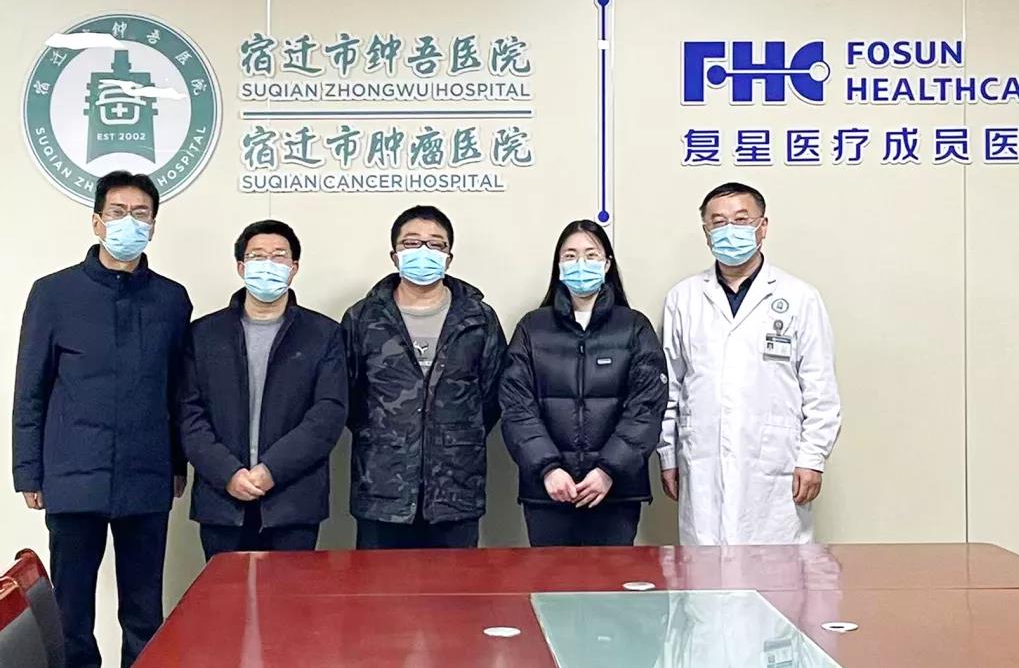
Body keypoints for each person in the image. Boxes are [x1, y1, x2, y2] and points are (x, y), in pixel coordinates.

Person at [12, 171, 191, 668]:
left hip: (146, 474)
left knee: (144, 612)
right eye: (117, 212)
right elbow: (30, 388)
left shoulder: (172, 299)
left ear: (153, 225)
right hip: (73, 474)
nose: (128, 222)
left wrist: (178, 463)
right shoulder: (53, 293)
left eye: (140, 214)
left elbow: (179, 390)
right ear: (96, 221)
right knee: (71, 615)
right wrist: (28, 471)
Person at [659, 182, 841, 545]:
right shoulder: (683, 298)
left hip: (775, 464)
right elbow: (670, 388)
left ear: (763, 226)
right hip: (702, 461)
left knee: (776, 570)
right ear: (706, 232)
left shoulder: (799, 297)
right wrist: (668, 455)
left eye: (741, 220)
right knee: (704, 568)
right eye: (719, 222)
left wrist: (812, 457)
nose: (730, 230)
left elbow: (819, 387)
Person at [342, 206, 507, 549]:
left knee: (455, 584)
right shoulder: (364, 317)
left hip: (455, 490)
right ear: (394, 255)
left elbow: (492, 397)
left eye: (435, 244)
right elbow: (348, 396)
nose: (423, 251)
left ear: (449, 257)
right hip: (382, 489)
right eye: (411, 243)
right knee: (378, 583)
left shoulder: (478, 318)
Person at [180, 220, 347, 559]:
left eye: (279, 256)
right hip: (222, 501)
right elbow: (189, 414)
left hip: (294, 502)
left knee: (292, 594)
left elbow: (327, 415)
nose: (268, 264)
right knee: (226, 592)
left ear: (294, 267)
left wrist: (271, 470)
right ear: (241, 267)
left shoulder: (324, 334)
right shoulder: (203, 334)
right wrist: (228, 473)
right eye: (257, 256)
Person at [501, 220, 667, 547]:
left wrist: (608, 470)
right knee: (550, 578)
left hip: (615, 492)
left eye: (591, 255)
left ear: (606, 265)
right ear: (559, 266)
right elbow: (515, 407)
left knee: (611, 580)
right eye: (570, 255)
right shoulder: (533, 328)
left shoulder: (634, 327)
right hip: (548, 493)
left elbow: (646, 407)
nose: (581, 264)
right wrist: (548, 468)